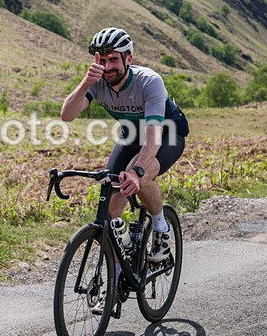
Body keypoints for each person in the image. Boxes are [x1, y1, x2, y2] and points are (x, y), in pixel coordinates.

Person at [60, 27, 189, 310]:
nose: (107, 67)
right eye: (101, 60)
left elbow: (153, 138)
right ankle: (118, 276)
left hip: (167, 135)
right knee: (110, 203)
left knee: (137, 174)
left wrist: (138, 172)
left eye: (113, 60)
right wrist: (86, 82)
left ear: (128, 58)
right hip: (131, 136)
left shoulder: (149, 82)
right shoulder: (98, 81)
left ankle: (161, 228)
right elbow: (67, 115)